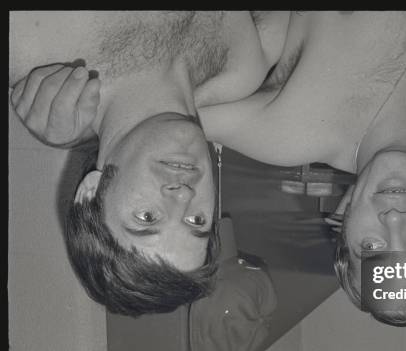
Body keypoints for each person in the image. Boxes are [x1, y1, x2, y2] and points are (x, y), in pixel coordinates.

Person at [13, 12, 406, 325]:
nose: (395, 219)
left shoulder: (281, 124)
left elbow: (157, 119)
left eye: (375, 249)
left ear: (341, 221)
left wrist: (78, 131)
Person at [9, 11, 291, 316]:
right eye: (197, 222)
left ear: (91, 192)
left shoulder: (30, 46)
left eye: (147, 217)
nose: (183, 196)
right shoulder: (242, 68)